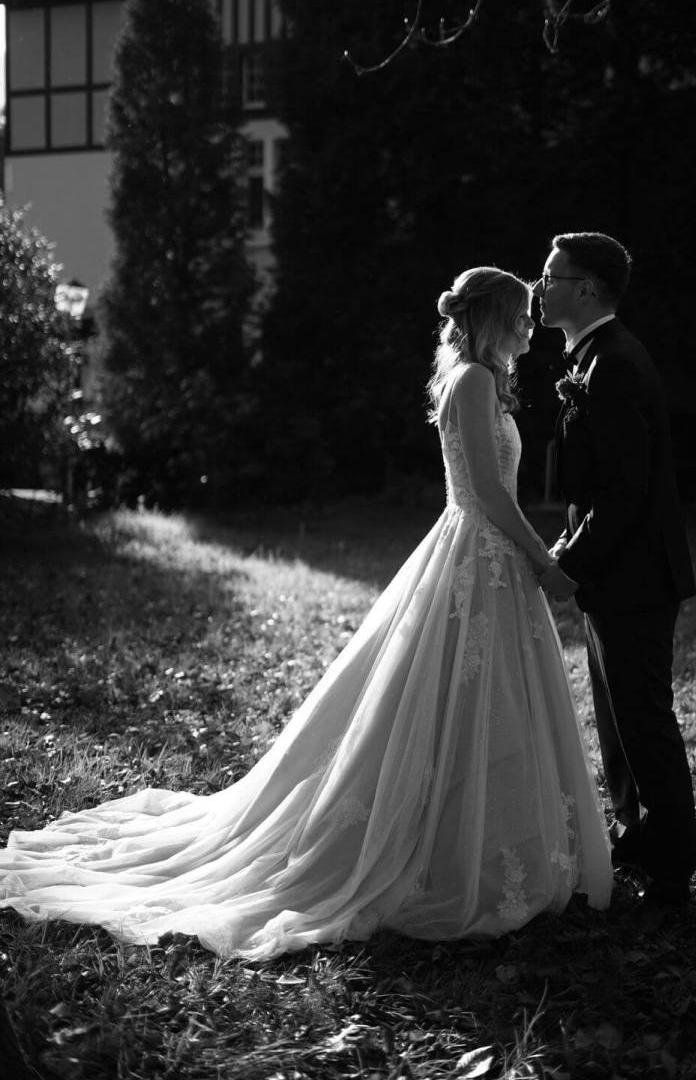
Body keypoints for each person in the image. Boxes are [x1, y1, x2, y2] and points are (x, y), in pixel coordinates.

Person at [0, 267, 612, 960]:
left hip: (488, 558)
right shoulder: (472, 381)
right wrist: (541, 558)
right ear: (493, 318)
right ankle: (446, 845)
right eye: (521, 315)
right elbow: (490, 495)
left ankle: (480, 834)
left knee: (479, 700)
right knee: (456, 699)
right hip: (479, 550)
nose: (531, 325)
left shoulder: (483, 380)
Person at [534, 232, 696, 906]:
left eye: (550, 277)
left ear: (586, 289)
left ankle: (671, 870)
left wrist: (569, 563)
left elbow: (627, 492)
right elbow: (595, 484)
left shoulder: (616, 365)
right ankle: (636, 838)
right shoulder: (593, 356)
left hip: (637, 577)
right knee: (617, 720)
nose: (539, 288)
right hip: (616, 575)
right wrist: (567, 545)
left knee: (642, 720)